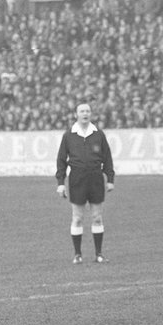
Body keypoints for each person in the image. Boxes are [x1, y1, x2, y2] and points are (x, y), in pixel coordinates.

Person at [55, 103, 115, 264]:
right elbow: (61, 160)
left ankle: (99, 254)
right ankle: (77, 254)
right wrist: (60, 182)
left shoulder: (99, 134)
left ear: (91, 114)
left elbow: (107, 158)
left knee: (97, 217)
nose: (85, 113)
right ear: (76, 114)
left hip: (95, 180)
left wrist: (110, 179)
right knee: (77, 218)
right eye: (82, 111)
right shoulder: (69, 135)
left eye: (87, 111)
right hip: (77, 180)